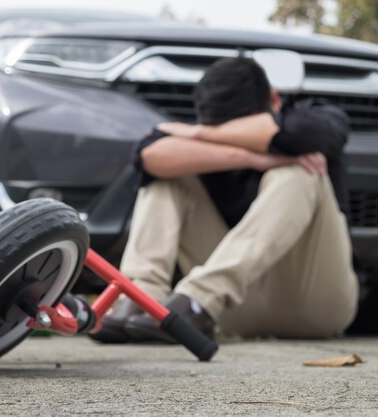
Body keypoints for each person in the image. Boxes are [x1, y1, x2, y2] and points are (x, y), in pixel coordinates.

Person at [91, 57, 358, 343]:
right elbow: (147, 157)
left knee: (300, 170)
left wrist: (198, 133)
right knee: (165, 175)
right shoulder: (206, 136)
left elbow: (310, 134)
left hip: (315, 302)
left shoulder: (313, 116)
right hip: (229, 307)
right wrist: (254, 157)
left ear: (275, 100)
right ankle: (142, 299)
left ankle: (196, 299)